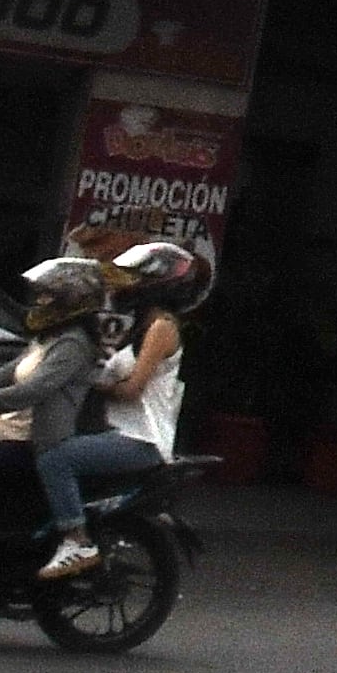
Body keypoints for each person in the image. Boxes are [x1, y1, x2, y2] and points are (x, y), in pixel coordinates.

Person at [34, 238, 206, 571]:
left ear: (159, 284)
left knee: (55, 459)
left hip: (140, 440)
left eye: (136, 279)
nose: (128, 286)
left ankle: (77, 541)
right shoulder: (138, 327)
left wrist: (91, 382)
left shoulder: (161, 328)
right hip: (116, 431)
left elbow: (132, 389)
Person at [0, 256, 113, 578]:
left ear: (71, 300)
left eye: (48, 295)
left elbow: (31, 391)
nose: (39, 300)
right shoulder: (47, 338)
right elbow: (4, 375)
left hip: (35, 442)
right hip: (8, 431)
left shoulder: (74, 344)